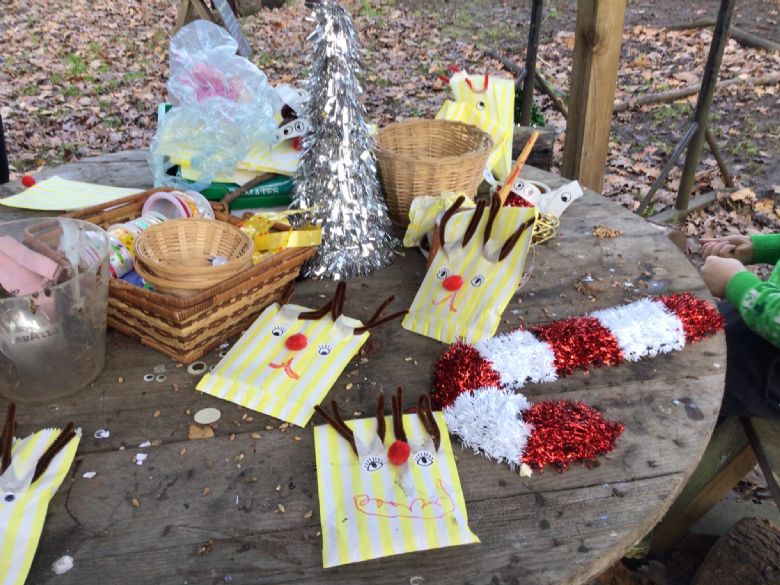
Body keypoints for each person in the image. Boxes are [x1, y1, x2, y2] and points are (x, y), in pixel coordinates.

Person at [700, 234, 780, 418]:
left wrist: (736, 283)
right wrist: (760, 248)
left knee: (701, 384)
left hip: (770, 371)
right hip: (763, 314)